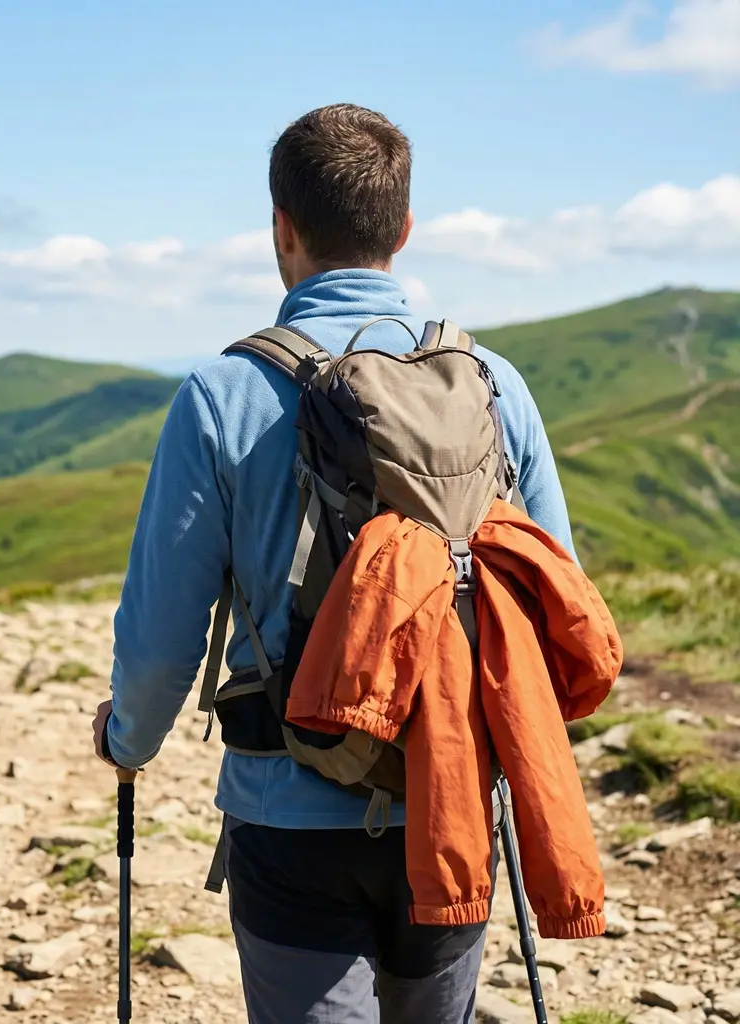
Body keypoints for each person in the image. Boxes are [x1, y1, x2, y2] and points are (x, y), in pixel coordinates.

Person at [91, 103, 577, 1024]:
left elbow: (162, 633)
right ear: (402, 228)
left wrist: (129, 741)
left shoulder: (223, 395)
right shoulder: (491, 383)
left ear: (282, 229)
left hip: (289, 810)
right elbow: (554, 601)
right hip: (451, 802)